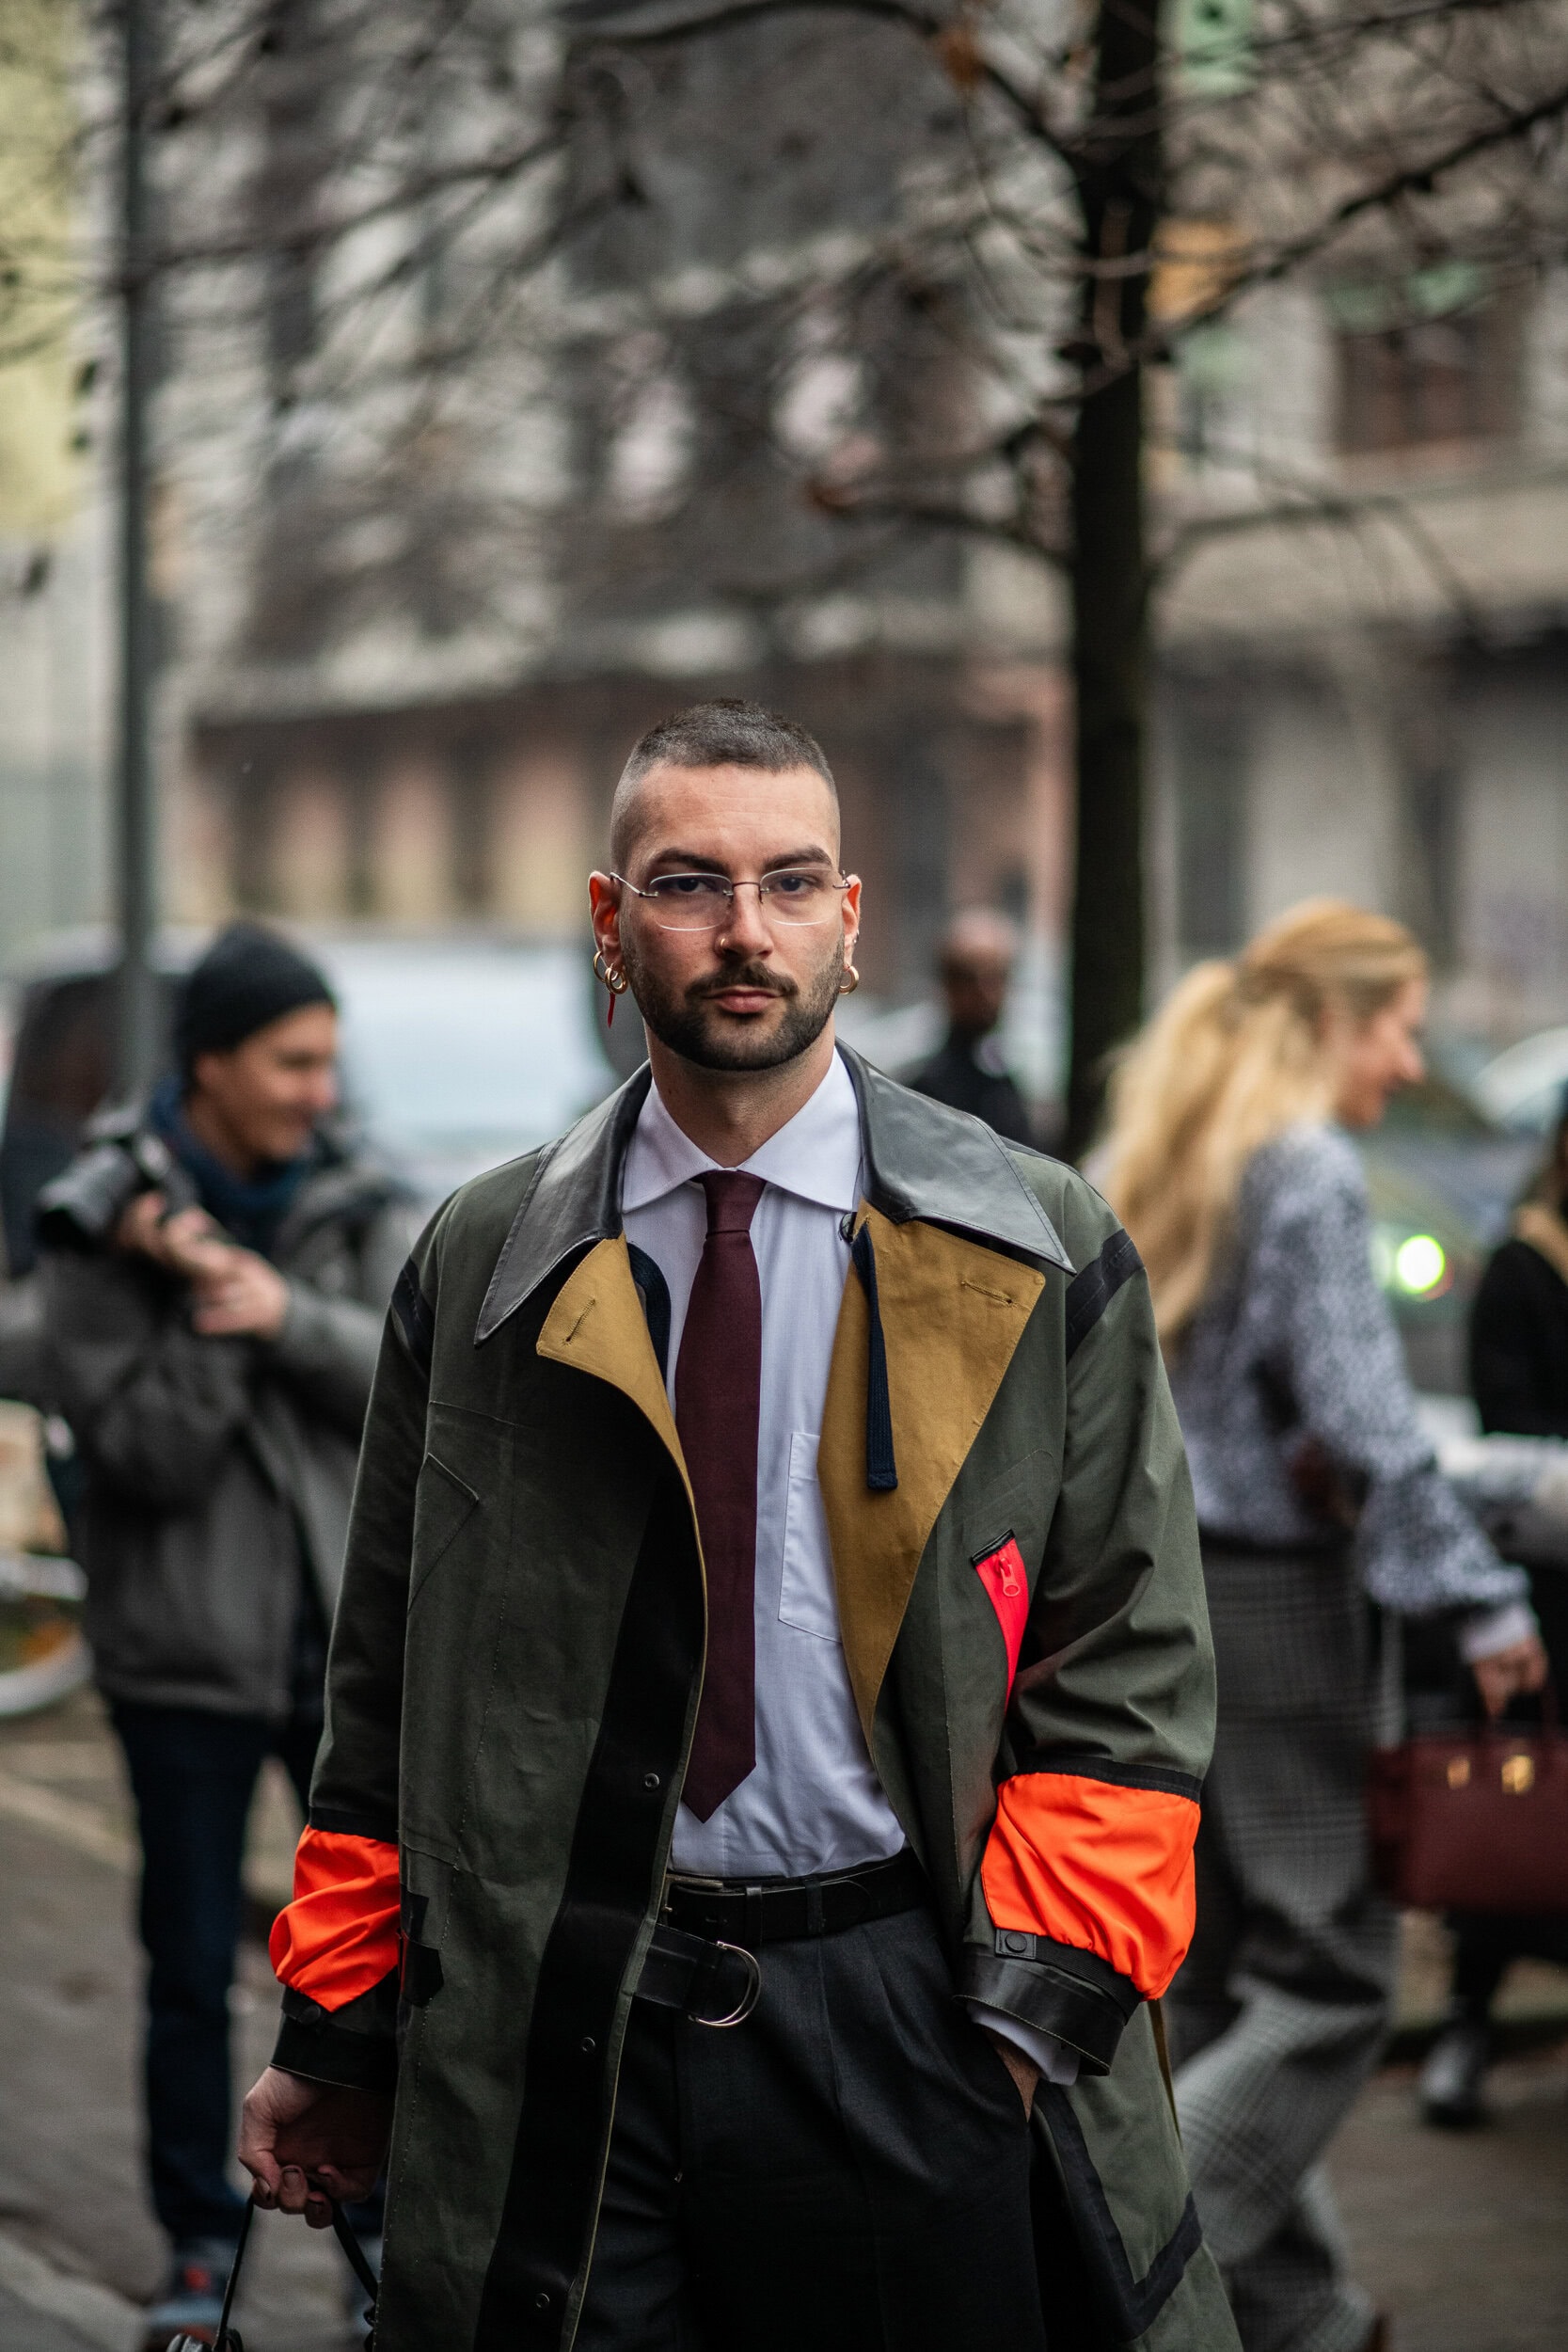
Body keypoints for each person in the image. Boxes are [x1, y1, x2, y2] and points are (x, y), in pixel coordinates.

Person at [238, 699, 1239, 2352]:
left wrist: (1012, 2017)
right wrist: (339, 2034)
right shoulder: (481, 1263)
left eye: (788, 884)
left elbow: (1131, 1659)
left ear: (849, 924)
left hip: (904, 2014)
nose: (742, 930)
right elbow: (386, 1686)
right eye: (690, 883)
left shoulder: (1027, 1243)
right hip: (570, 2023)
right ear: (608, 925)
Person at [1101, 898, 1548, 2352]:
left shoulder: (1184, 1152)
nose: (1407, 1059)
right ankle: (1124, 2260)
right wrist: (1479, 1601)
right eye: (1395, 1025)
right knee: (1337, 1977)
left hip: (1170, 1599)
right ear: (1329, 1023)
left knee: (1232, 1980)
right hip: (1283, 1605)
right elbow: (1360, 1416)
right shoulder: (1304, 1168)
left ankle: (1306, 2319)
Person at [38, 924, 414, 2348]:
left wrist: (279, 1315)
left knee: (366, 1965)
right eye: (292, 1061)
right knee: (189, 1967)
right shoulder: (96, 1221)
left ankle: (381, 2241)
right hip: (181, 1663)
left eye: (328, 1058)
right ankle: (198, 2251)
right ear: (209, 1066)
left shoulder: (357, 1194)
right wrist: (208, 1307)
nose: (323, 1090)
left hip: (337, 1659)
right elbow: (139, 1458)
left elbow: (407, 1392)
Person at [1418, 1089, 1568, 2127]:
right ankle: (1464, 2021)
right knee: (1513, 1799)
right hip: (1542, 1588)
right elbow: (1501, 1421)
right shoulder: (1521, 1263)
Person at [906, 907, 1034, 1144]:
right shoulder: (927, 1090)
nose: (985, 993)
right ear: (947, 985)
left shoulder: (1005, 1080)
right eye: (970, 978)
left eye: (997, 977)